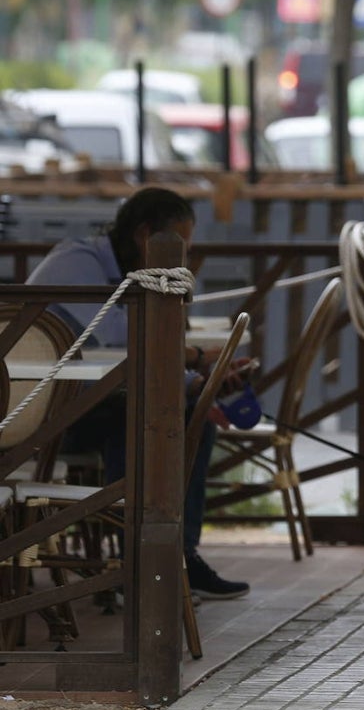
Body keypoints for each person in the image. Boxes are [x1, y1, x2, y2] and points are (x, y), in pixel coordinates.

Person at [27, 186, 251, 600]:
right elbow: (118, 343)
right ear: (145, 235)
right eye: (178, 246)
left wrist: (195, 382)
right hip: (35, 420)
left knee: (183, 413)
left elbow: (128, 360)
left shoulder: (129, 274)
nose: (182, 259)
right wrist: (195, 359)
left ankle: (173, 557)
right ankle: (141, 566)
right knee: (146, 416)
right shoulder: (77, 262)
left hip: (82, 405)